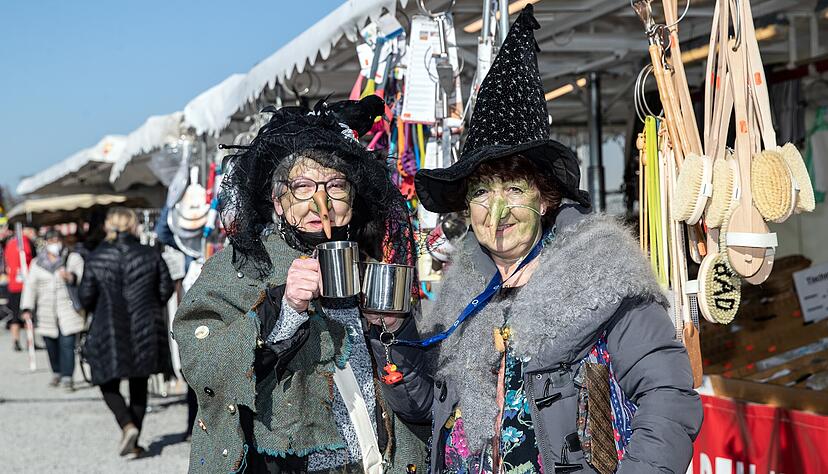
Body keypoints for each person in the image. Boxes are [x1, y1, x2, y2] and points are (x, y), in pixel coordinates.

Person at [413, 7, 703, 474]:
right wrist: (391, 339)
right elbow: (424, 409)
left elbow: (669, 398)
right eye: (482, 192)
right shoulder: (459, 294)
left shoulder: (601, 276)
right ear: (467, 207)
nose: (498, 211)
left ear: (546, 198)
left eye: (514, 189)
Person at [174, 96, 432, 473]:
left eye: (336, 186)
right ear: (278, 200)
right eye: (303, 186)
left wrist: (394, 330)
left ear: (352, 197)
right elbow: (202, 363)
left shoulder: (371, 263)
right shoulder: (241, 267)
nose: (321, 204)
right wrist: (283, 307)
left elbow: (413, 385)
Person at [79, 207, 174, 457]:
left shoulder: (96, 256)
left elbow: (85, 297)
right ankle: (133, 436)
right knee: (139, 383)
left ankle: (126, 423)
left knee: (103, 379)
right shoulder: (150, 254)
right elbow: (166, 290)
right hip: (145, 325)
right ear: (133, 226)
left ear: (109, 226)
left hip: (107, 327)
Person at [20, 230, 85, 390]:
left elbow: (84, 278)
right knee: (51, 344)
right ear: (46, 243)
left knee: (67, 343)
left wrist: (71, 277)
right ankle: (56, 371)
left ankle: (67, 377)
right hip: (46, 310)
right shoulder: (37, 262)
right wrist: (27, 307)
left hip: (68, 308)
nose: (54, 243)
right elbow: (30, 286)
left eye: (57, 240)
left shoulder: (72, 258)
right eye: (51, 240)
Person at [4, 227, 34, 352]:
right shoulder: (25, 243)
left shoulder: (10, 243)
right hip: (24, 285)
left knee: (15, 315)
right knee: (27, 313)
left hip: (13, 284)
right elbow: (30, 261)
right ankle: (29, 341)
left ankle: (16, 340)